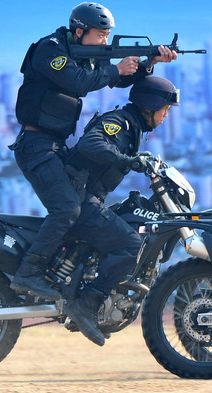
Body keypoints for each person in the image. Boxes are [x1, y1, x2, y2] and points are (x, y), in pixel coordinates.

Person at [10, 2, 176, 300]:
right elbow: (79, 81)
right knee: (67, 209)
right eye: (101, 35)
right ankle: (28, 275)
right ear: (79, 30)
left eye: (107, 35)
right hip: (35, 146)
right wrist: (115, 68)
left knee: (81, 207)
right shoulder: (51, 49)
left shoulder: (84, 55)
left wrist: (149, 64)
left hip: (55, 145)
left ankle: (65, 271)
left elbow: (117, 77)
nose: (105, 41)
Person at [61, 75, 180, 345]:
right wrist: (129, 160)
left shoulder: (133, 126)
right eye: (165, 110)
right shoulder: (120, 122)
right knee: (130, 244)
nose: (166, 116)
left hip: (88, 198)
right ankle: (86, 304)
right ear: (149, 106)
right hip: (80, 199)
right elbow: (91, 143)